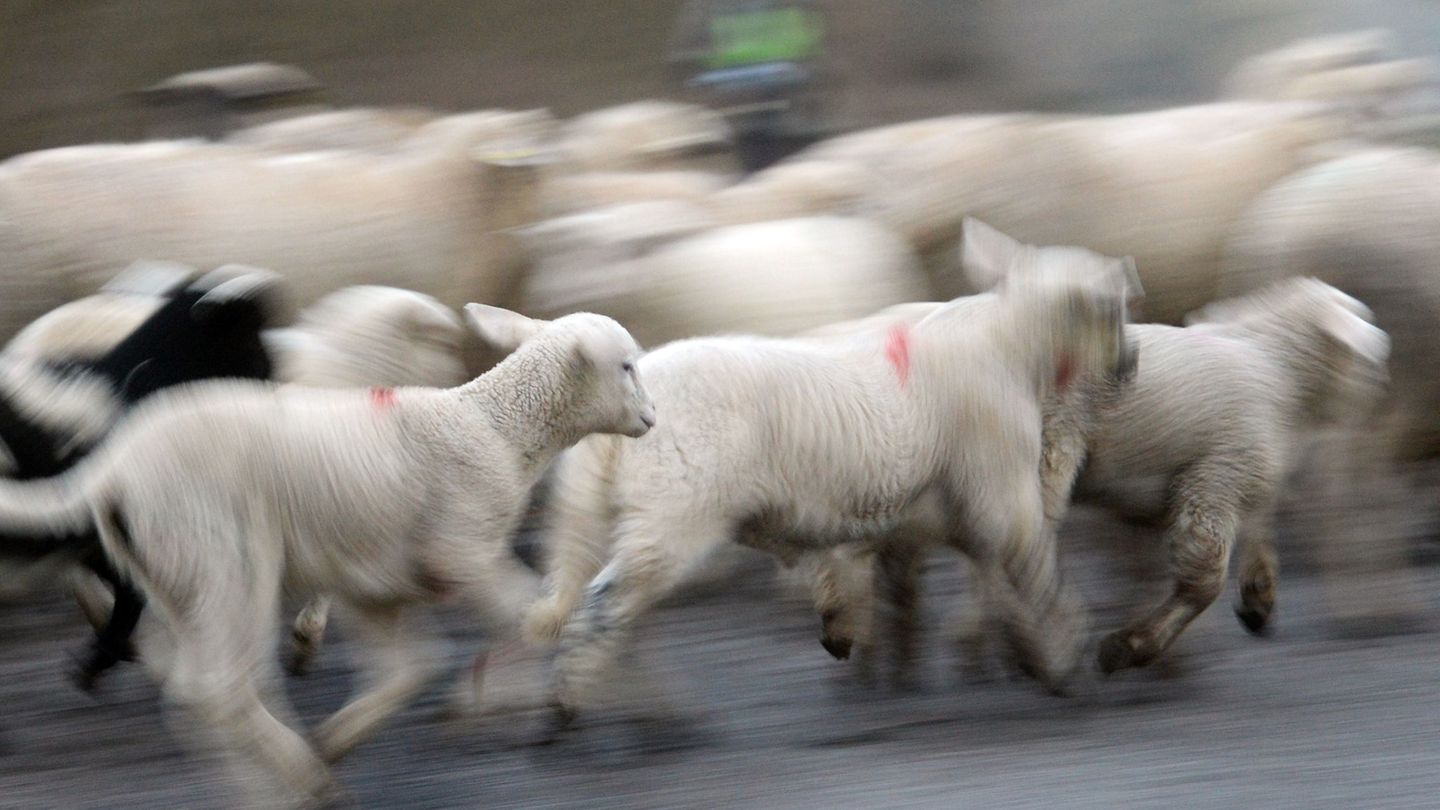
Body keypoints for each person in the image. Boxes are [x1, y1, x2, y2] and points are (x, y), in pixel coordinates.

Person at [668, 0, 833, 171]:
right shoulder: (707, 7)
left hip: (769, 91)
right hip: (758, 92)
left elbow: (690, 50)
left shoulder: (706, 7)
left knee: (776, 154)